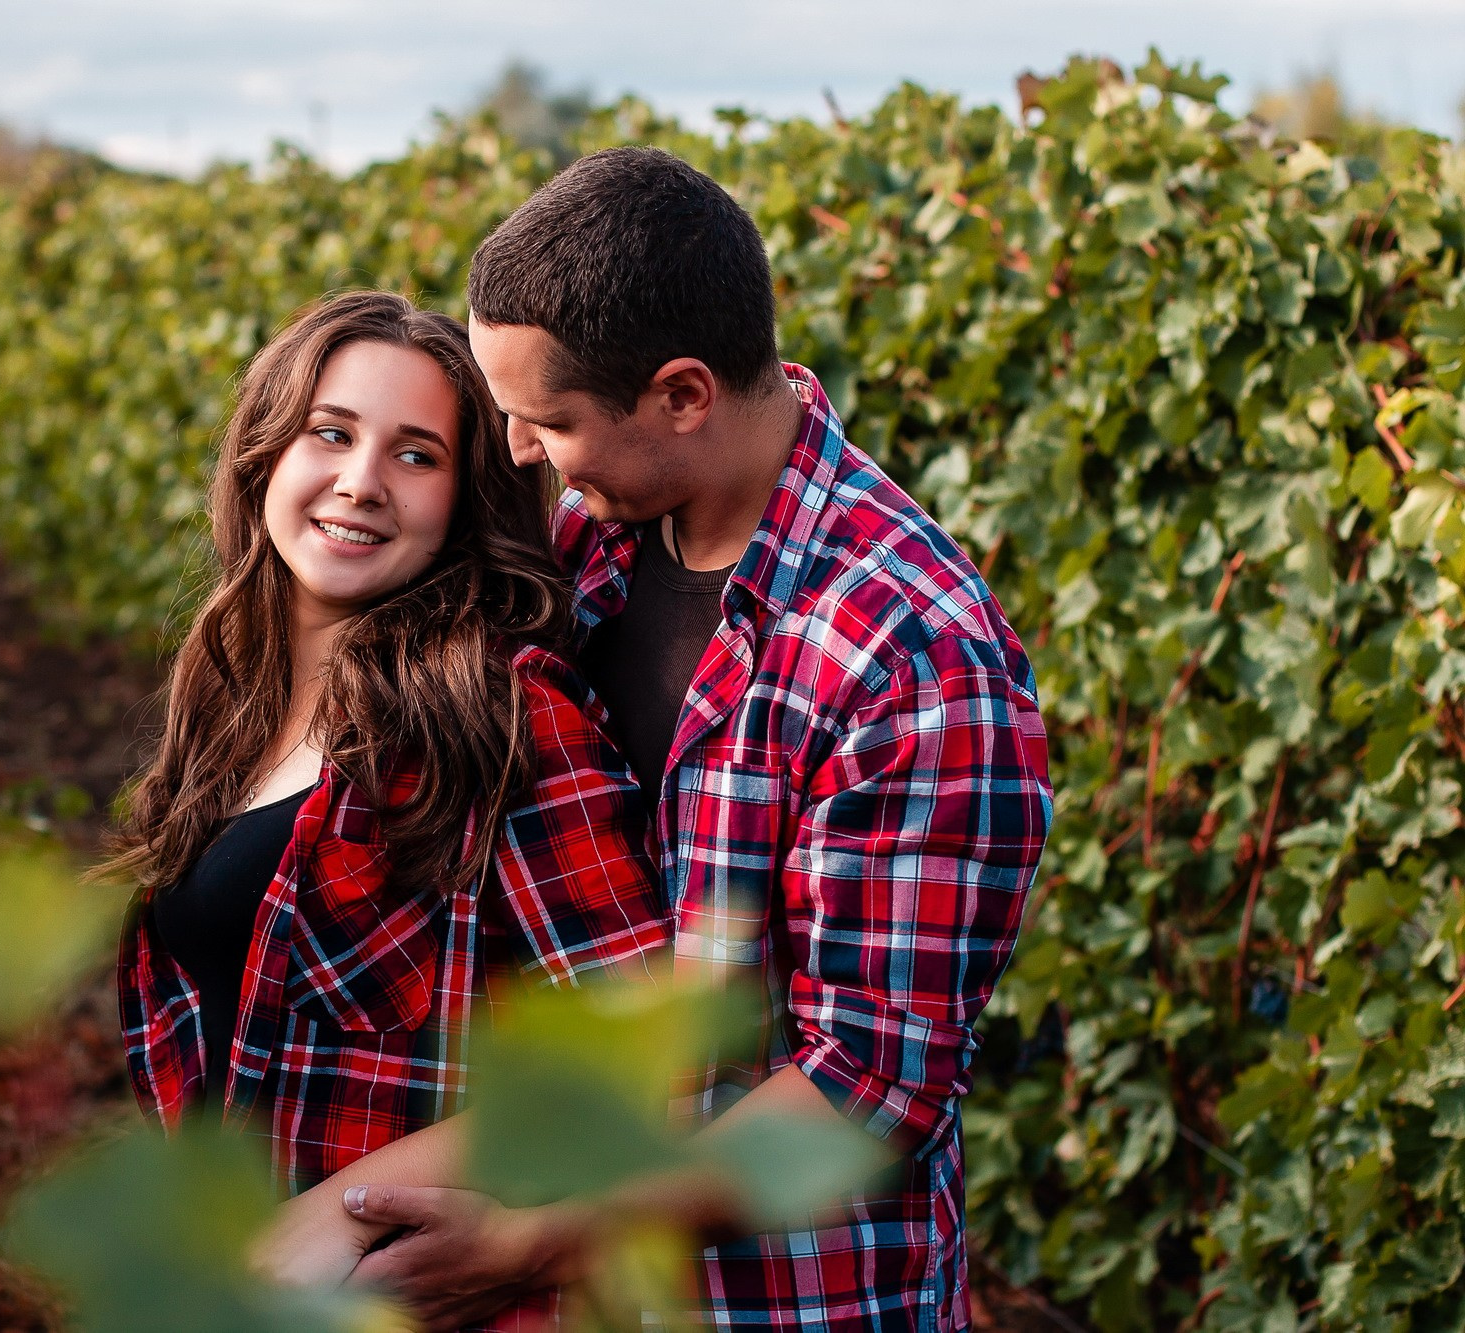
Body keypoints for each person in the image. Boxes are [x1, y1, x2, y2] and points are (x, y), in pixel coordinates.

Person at [338, 148, 1055, 1331]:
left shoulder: (912, 659)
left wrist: (534, 1241)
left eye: (547, 420)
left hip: (777, 1302)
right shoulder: (595, 545)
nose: (519, 452)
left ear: (679, 395)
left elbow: (865, 1088)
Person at [99, 289, 672, 1315]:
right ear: (265, 450)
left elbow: (635, 1048)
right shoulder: (232, 703)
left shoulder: (502, 716)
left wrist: (343, 1210)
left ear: (463, 501)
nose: (359, 482)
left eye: (416, 455)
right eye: (331, 433)